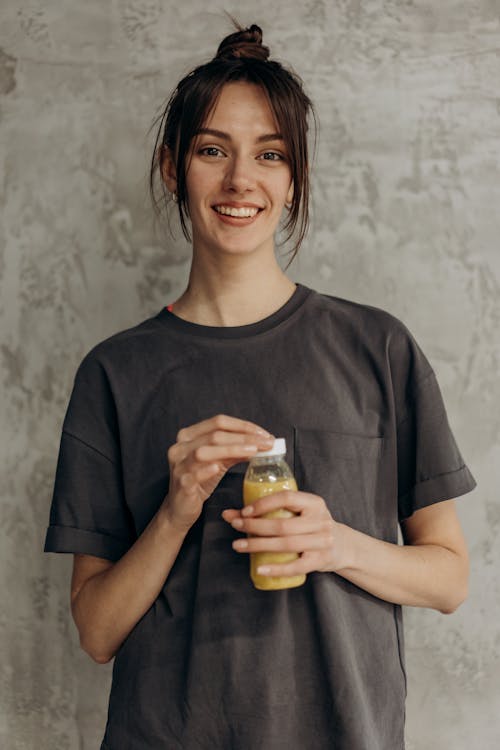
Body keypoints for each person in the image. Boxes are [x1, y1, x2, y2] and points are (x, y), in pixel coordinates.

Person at [44, 20, 476, 750]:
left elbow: (449, 578)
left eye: (269, 155)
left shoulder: (378, 347)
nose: (241, 180)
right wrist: (176, 511)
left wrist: (334, 543)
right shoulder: (115, 373)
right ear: (174, 167)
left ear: (293, 178)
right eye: (213, 150)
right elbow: (96, 631)